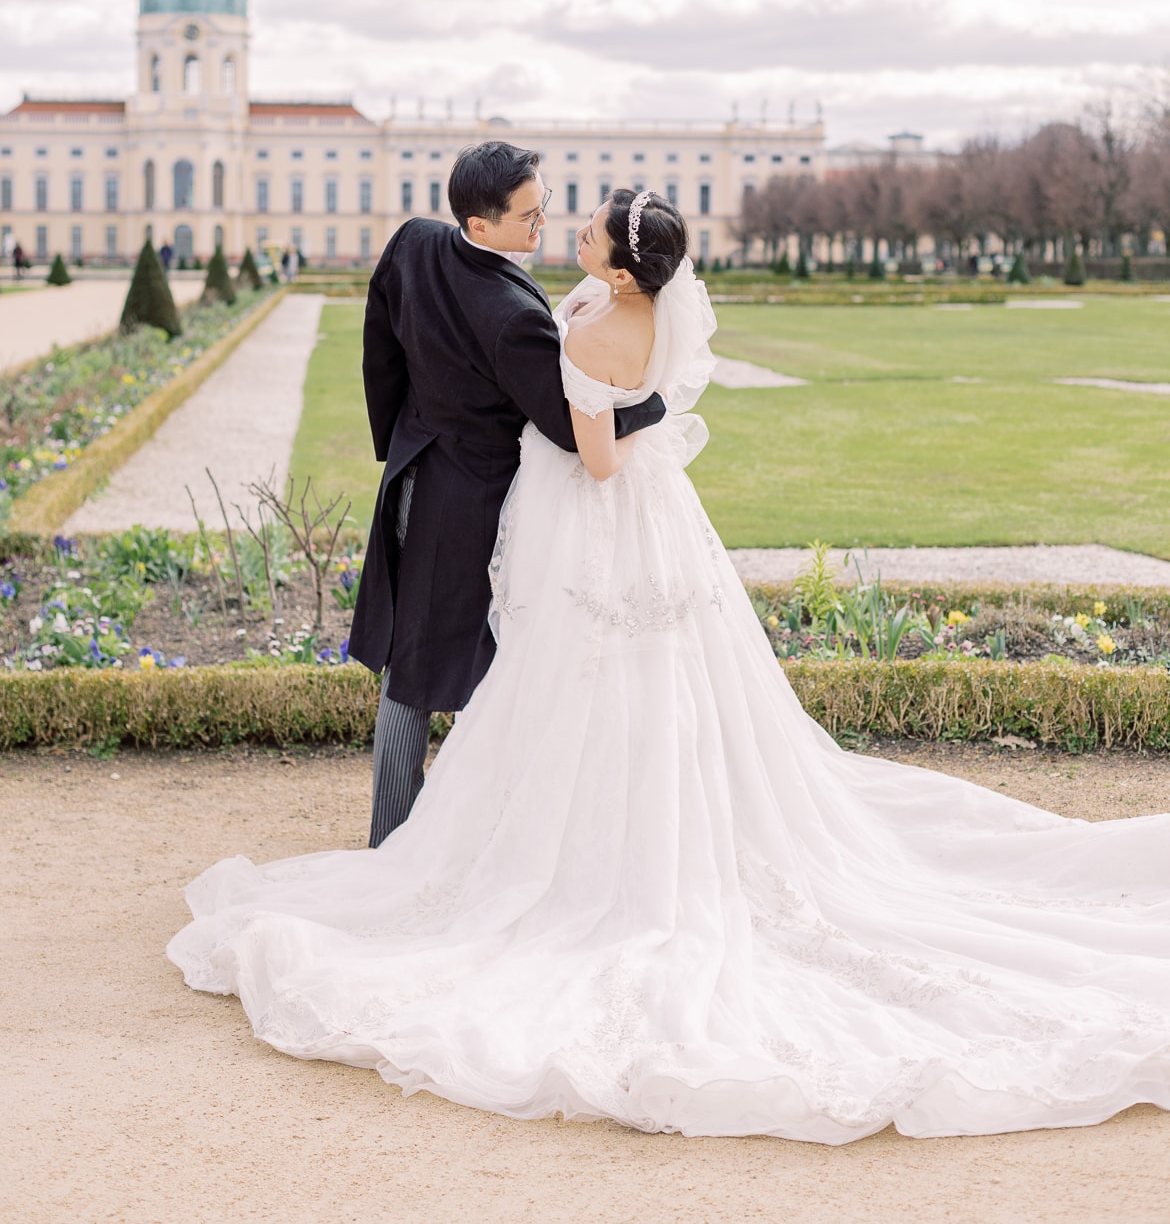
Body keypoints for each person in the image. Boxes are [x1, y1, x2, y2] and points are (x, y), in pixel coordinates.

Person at [169, 188, 1170, 1144]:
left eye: (590, 229)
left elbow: (597, 458)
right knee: (657, 687)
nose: (570, 231)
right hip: (658, 517)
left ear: (620, 260)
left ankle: (581, 847)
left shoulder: (597, 324)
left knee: (581, 678)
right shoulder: (636, 305)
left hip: (599, 510)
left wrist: (590, 390)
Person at [346, 141, 665, 842]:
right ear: (481, 223)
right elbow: (563, 426)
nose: (542, 223)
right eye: (529, 215)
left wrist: (399, 434)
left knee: (428, 658)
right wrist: (650, 404)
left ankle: (434, 828)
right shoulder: (511, 315)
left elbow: (379, 347)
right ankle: (403, 837)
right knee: (449, 669)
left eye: (543, 205)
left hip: (411, 475)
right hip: (466, 504)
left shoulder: (414, 242)